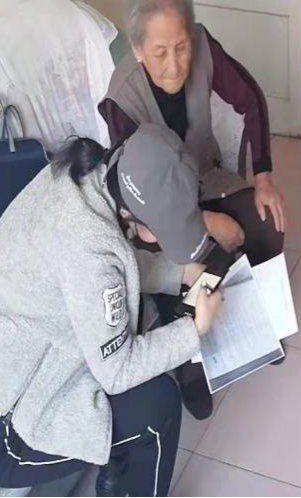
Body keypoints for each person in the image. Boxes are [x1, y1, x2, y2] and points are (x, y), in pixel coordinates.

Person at [98, 0, 287, 419]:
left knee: (264, 225)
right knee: (193, 261)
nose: (175, 64)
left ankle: (254, 325)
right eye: (160, 52)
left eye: (181, 47)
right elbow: (141, 201)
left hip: (205, 176)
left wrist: (263, 177)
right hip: (155, 214)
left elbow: (251, 99)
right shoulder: (121, 99)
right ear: (138, 49)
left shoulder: (203, 46)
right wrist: (205, 222)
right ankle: (189, 360)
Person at [0, 124, 223, 497]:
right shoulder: (91, 247)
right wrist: (195, 329)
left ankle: (115, 476)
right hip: (12, 422)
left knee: (140, 322)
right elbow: (117, 371)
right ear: (131, 213)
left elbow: (113, 263)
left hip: (24, 350)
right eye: (164, 231)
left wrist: (179, 273)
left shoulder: (81, 174)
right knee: (159, 406)